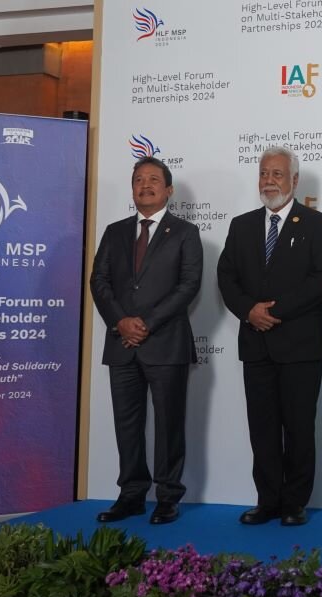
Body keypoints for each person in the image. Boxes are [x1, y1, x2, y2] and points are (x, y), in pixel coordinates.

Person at [217, 147, 322, 527]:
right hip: (256, 343)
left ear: (295, 181)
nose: (269, 180)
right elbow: (226, 277)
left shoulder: (317, 224)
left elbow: (321, 280)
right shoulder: (241, 224)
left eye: (278, 174)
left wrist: (275, 312)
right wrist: (249, 310)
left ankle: (295, 503)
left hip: (299, 345)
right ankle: (267, 499)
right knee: (262, 428)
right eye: (265, 173)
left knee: (299, 428)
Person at [90, 157, 202, 525]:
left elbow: (189, 285)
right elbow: (99, 281)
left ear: (169, 190)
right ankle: (132, 494)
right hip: (121, 345)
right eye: (138, 179)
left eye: (154, 179)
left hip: (166, 343)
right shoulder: (114, 231)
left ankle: (168, 496)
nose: (145, 185)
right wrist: (121, 322)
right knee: (127, 424)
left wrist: (146, 324)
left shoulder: (185, 232)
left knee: (169, 424)